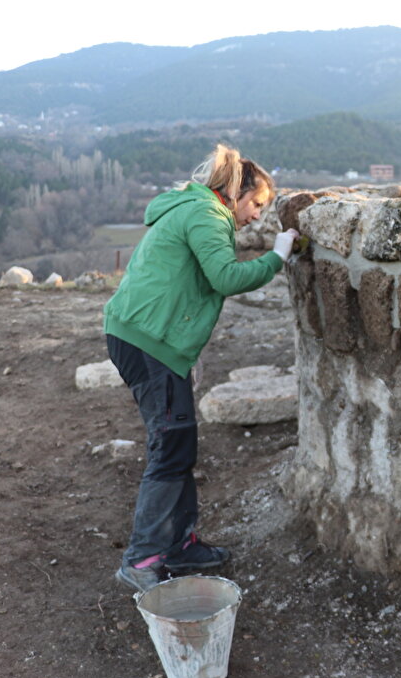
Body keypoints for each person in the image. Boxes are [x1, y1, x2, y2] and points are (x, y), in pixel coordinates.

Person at [104, 144, 299, 591]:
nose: (255, 217)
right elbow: (225, 277)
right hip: (149, 341)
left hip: (146, 336)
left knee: (179, 444)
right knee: (170, 449)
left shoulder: (195, 208)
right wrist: (278, 257)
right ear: (235, 193)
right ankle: (142, 559)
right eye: (256, 205)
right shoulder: (207, 215)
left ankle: (179, 546)